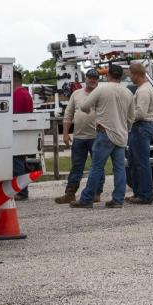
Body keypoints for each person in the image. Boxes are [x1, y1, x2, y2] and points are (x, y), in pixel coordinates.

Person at [71, 64, 134, 209]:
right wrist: (125, 128)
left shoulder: (101, 89)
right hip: (121, 134)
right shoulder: (128, 92)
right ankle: (118, 199)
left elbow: (85, 106)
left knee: (97, 167)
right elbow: (131, 117)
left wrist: (95, 109)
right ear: (121, 77)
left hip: (104, 132)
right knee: (119, 168)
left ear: (108, 75)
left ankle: (86, 199)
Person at [55, 69, 102, 204]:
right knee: (76, 166)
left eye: (95, 78)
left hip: (96, 136)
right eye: (90, 77)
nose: (92, 80)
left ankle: (96, 193)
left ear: (98, 80)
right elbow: (68, 115)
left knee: (97, 166)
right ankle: (70, 193)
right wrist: (65, 133)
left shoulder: (101, 94)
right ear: (85, 78)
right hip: (79, 137)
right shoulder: (76, 94)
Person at [126, 63, 153, 205]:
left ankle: (145, 195)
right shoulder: (144, 88)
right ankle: (139, 193)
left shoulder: (144, 91)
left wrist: (126, 116)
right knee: (135, 161)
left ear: (137, 74)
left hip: (141, 127)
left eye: (131, 74)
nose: (130, 77)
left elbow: (141, 113)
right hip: (141, 127)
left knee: (141, 162)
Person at [11, 70, 34, 201]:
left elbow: (14, 115)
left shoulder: (17, 94)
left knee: (17, 163)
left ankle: (22, 191)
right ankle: (21, 190)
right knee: (19, 162)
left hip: (17, 133)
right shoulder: (25, 93)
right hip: (24, 132)